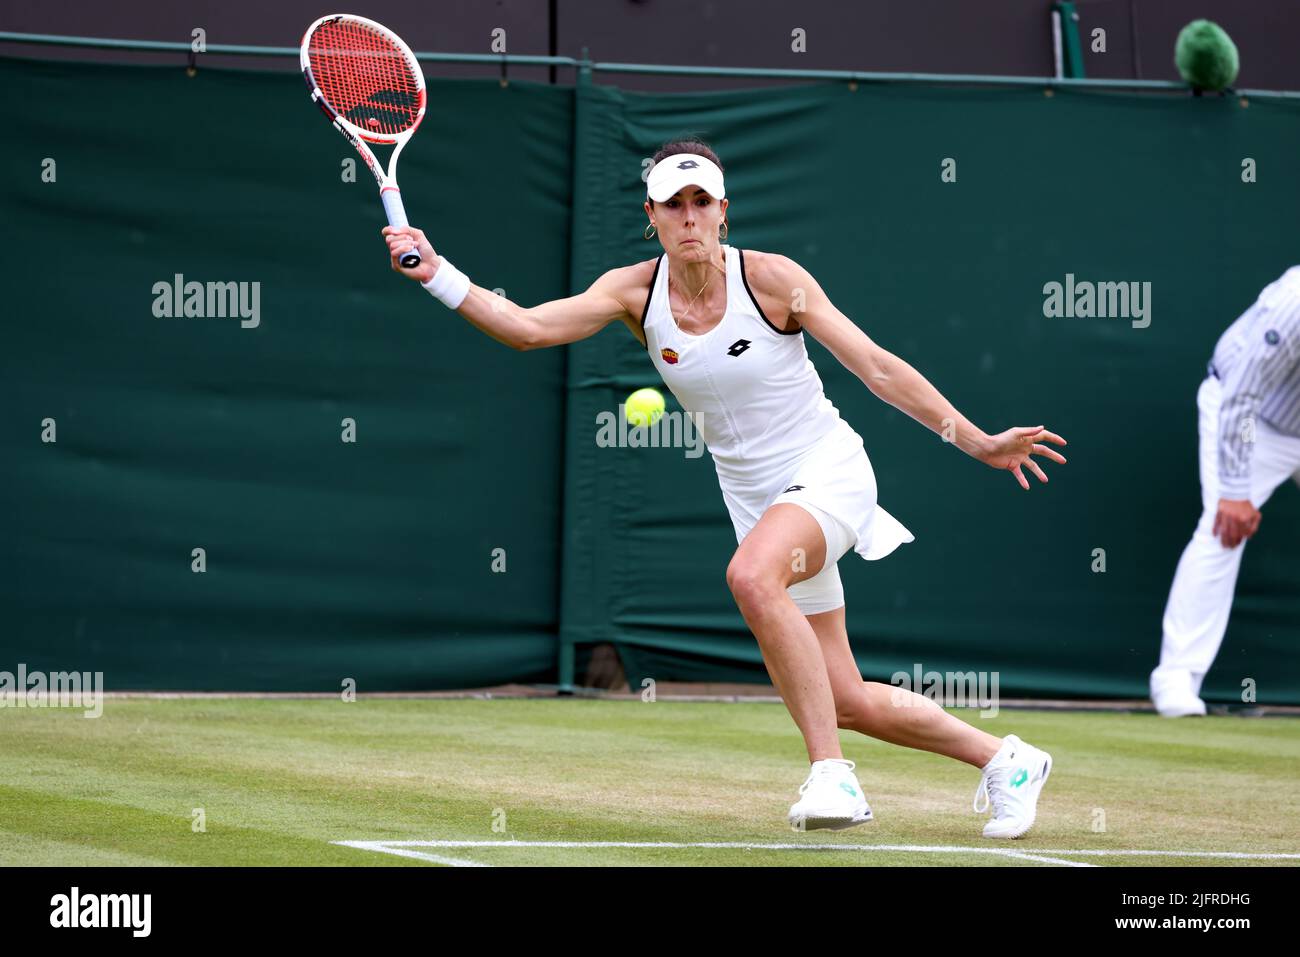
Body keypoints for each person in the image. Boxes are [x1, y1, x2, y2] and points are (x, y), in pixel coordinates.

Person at [382, 138, 1066, 838]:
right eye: (673, 204)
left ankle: (833, 775)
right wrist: (438, 273)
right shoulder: (631, 292)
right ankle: (1006, 760)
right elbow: (527, 329)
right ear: (650, 215)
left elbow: (876, 368)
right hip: (757, 500)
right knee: (847, 696)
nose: (689, 217)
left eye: (701, 201)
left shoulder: (772, 280)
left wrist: (977, 440)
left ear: (723, 211)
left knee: (750, 577)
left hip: (829, 471)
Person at [1152, 267, 1300, 717]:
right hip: (1252, 418)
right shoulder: (1293, 304)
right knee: (1223, 529)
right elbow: (1242, 395)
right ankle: (1176, 681)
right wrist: (1235, 491)